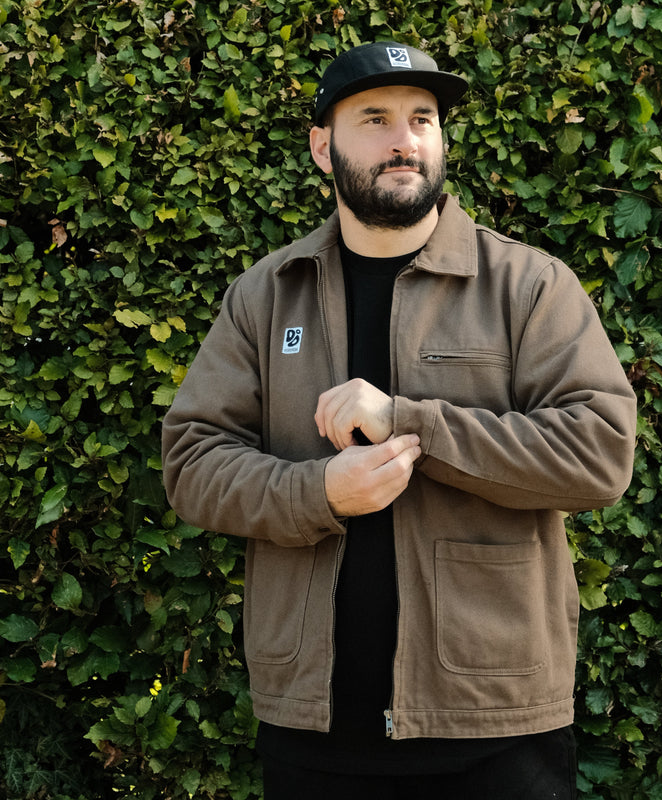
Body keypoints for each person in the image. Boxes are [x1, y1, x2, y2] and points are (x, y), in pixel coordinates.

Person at [161, 41, 637, 799]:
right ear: (323, 147)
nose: (404, 139)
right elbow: (192, 462)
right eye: (375, 119)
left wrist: (410, 423)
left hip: (492, 723)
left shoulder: (528, 285)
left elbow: (598, 453)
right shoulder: (265, 296)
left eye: (423, 118)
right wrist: (317, 495)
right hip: (314, 728)